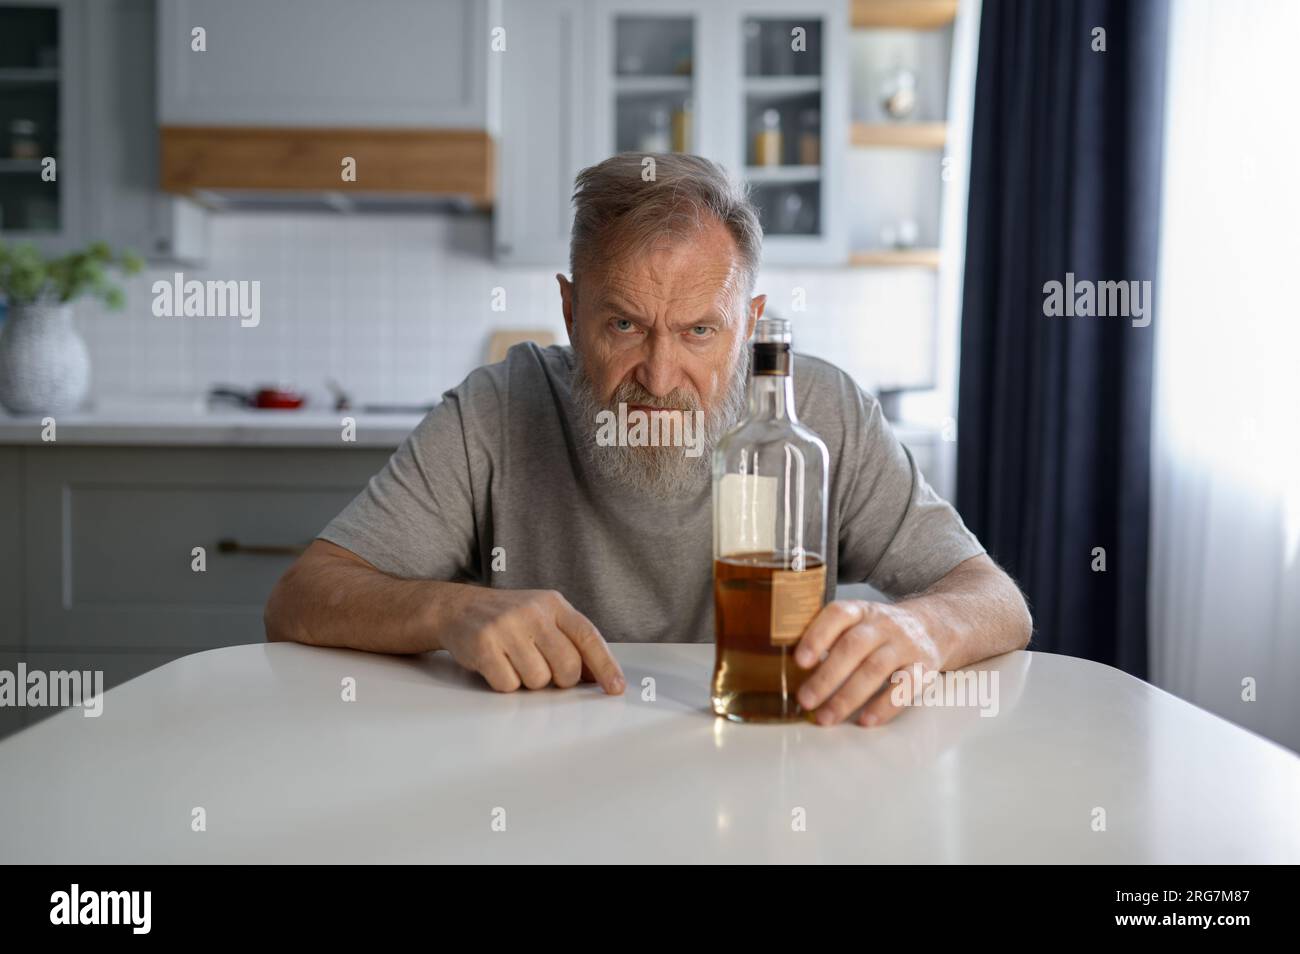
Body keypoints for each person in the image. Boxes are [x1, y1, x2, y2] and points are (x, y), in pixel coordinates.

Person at [265, 153, 1031, 727]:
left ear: (749, 322)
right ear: (570, 314)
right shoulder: (496, 409)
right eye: (624, 325)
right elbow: (300, 598)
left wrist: (923, 629)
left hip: (768, 767)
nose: (660, 377)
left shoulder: (823, 411)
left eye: (700, 331)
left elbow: (995, 600)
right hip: (541, 779)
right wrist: (447, 612)